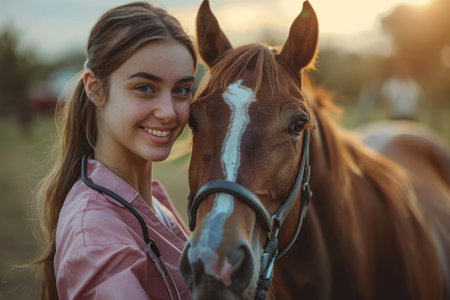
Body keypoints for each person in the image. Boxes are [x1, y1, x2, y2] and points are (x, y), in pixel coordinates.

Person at [33, 2, 196, 299]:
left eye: (182, 90)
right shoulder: (96, 234)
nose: (169, 112)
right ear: (95, 88)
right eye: (145, 87)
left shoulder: (154, 203)